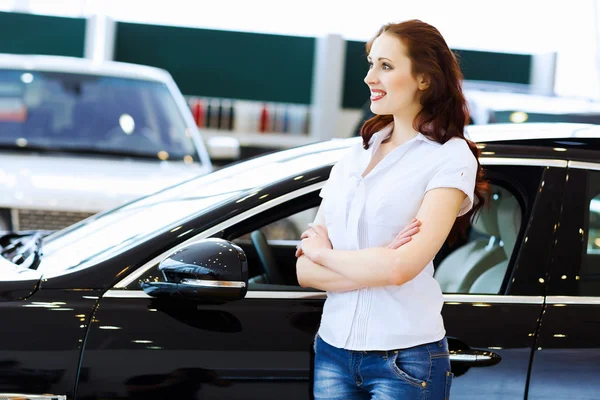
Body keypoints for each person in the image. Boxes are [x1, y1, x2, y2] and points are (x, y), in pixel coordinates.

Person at [295, 19, 488, 399]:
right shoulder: (355, 154)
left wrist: (325, 253)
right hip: (332, 349)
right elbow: (304, 270)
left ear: (424, 79)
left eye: (385, 65)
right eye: (370, 63)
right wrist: (377, 259)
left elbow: (402, 268)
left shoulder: (450, 157)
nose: (370, 77)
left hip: (405, 359)